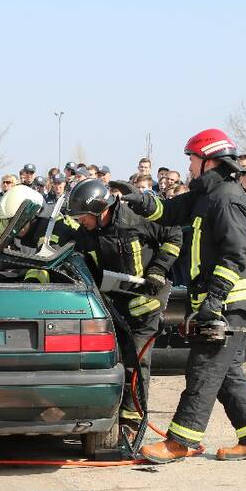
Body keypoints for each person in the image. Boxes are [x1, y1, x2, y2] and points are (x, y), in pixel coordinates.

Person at [121, 128, 246, 463]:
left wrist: (214, 302)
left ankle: (179, 442)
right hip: (229, 303)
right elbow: (170, 211)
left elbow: (235, 255)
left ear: (209, 160)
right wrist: (138, 198)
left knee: (203, 370)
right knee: (227, 372)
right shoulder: (206, 194)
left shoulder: (227, 198)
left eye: (192, 158)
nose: (188, 164)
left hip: (230, 303)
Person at [65, 178, 182, 431]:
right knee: (112, 362)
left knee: (137, 363)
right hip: (115, 307)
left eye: (83, 216)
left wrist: (158, 271)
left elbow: (174, 235)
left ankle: (132, 422)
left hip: (146, 305)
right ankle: (112, 416)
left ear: (99, 209)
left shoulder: (134, 218)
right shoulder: (87, 232)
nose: (80, 221)